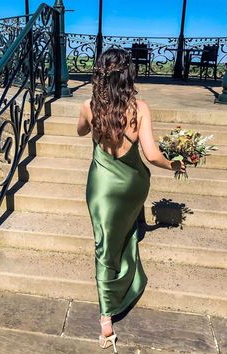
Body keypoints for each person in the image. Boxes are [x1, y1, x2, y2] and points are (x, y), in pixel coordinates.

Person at [77, 48, 185, 352]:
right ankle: (134, 221)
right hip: (133, 184)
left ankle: (106, 319)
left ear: (99, 74)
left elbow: (80, 132)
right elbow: (151, 155)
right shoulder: (139, 108)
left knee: (103, 244)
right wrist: (175, 164)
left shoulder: (88, 106)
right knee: (123, 225)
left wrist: (91, 121)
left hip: (101, 187)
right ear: (128, 75)